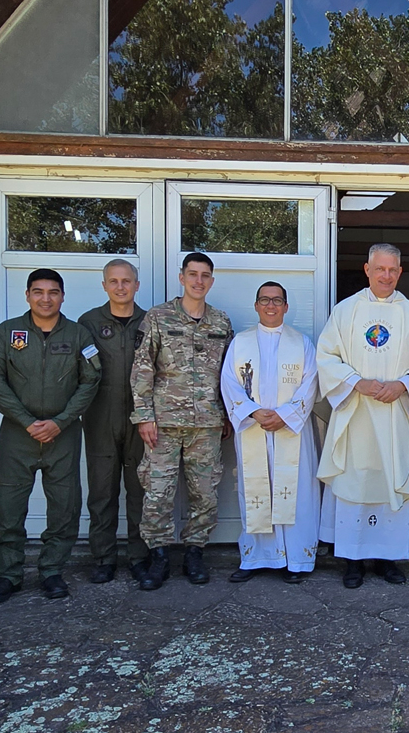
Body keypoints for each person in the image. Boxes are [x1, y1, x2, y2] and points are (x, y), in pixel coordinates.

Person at [317, 244, 409, 587]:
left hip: (395, 417)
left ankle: (388, 560)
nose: (386, 275)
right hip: (356, 414)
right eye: (380, 269)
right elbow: (326, 357)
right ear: (367, 269)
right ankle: (351, 560)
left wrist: (405, 385)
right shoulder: (345, 311)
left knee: (391, 479)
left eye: (393, 270)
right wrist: (355, 382)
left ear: (400, 272)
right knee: (355, 482)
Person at [0, 269, 102, 603]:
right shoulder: (6, 333)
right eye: (38, 292)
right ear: (27, 295)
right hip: (17, 435)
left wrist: (60, 422)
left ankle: (52, 571)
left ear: (63, 296)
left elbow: (89, 382)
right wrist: (26, 420)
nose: (45, 299)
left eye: (53, 292)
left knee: (64, 506)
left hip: (63, 434)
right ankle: (7, 574)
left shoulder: (80, 336)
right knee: (7, 507)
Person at [130, 252, 232, 589]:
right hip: (164, 424)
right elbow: (142, 369)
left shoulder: (221, 322)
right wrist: (144, 416)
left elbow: (230, 374)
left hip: (207, 424)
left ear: (212, 281)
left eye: (205, 275)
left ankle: (194, 552)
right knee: (158, 492)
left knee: (205, 493)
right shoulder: (158, 318)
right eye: (192, 274)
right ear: (181, 277)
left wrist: (230, 414)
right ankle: (158, 555)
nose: (198, 281)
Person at [220, 281, 323, 582]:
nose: (271, 305)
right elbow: (229, 382)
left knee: (296, 494)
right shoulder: (241, 342)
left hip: (291, 430)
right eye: (265, 300)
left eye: (277, 300)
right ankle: (256, 558)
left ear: (286, 307)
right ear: (256, 305)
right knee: (256, 490)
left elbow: (311, 383)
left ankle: (296, 560)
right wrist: (252, 411)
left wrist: (286, 415)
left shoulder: (302, 343)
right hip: (254, 428)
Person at [76, 260, 147, 583]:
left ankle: (139, 556)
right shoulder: (88, 323)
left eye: (126, 281)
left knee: (140, 491)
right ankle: (104, 557)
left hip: (141, 418)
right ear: (104, 285)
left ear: (136, 285)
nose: (121, 287)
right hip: (100, 416)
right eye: (114, 281)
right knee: (102, 491)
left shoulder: (150, 322)